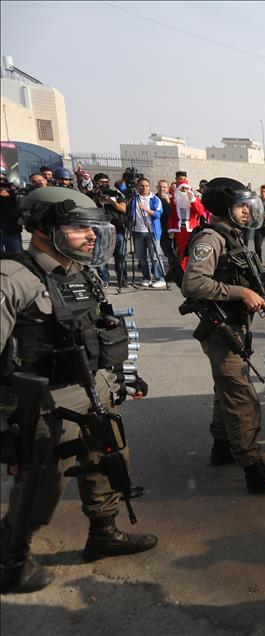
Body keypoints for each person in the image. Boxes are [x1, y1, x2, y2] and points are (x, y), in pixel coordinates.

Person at [0, 187, 157, 594]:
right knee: (41, 486)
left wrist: (121, 373)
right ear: (43, 229)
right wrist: (9, 424)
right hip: (44, 403)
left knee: (107, 461)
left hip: (95, 389)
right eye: (78, 228)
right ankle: (11, 558)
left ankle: (103, 532)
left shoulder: (80, 271)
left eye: (94, 229)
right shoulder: (13, 278)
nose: (91, 237)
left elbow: (98, 328)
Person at [180, 177, 265, 494]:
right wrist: (241, 292)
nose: (246, 212)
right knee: (242, 399)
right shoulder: (210, 239)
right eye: (240, 206)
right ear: (223, 207)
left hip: (236, 325)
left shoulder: (233, 238)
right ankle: (254, 470)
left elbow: (252, 280)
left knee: (227, 389)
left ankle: (222, 448)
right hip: (221, 328)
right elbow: (193, 283)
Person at [91, 173, 129, 288]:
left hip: (117, 229)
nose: (105, 184)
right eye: (102, 182)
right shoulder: (90, 195)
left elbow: (123, 209)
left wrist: (111, 201)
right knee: (100, 256)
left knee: (120, 255)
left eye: (107, 182)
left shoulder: (115, 194)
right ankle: (104, 279)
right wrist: (96, 198)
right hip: (98, 230)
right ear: (96, 182)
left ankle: (122, 279)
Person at [128, 177, 166, 289]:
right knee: (141, 257)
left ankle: (160, 278)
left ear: (149, 187)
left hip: (152, 232)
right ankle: (146, 277)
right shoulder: (134, 198)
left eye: (146, 186)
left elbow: (158, 214)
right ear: (137, 186)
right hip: (138, 232)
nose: (144, 188)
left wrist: (146, 209)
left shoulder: (155, 199)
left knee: (155, 256)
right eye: (141, 185)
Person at [168, 174, 208, 262]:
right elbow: (172, 215)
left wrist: (192, 200)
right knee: (181, 251)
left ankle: (189, 269)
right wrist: (171, 228)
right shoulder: (174, 200)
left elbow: (200, 212)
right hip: (179, 230)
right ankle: (181, 270)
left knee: (192, 249)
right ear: (179, 189)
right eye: (182, 189)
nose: (184, 191)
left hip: (192, 228)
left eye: (186, 189)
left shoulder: (195, 199)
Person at [0, 167, 21, 253]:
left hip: (12, 230)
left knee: (16, 256)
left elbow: (21, 203)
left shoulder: (12, 188)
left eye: (2, 177)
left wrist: (9, 196)